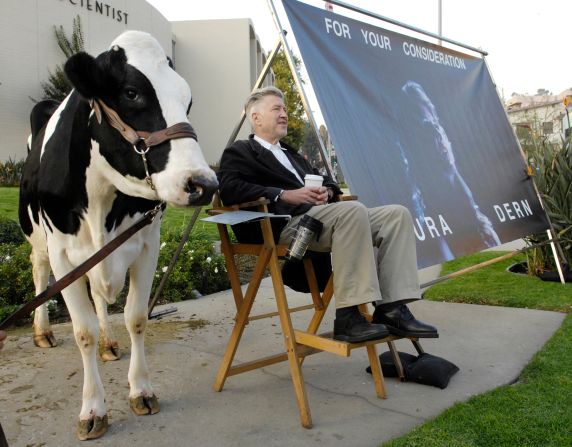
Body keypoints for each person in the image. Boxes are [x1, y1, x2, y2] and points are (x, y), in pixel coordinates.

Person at [218, 86, 437, 343]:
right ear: (255, 118)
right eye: (276, 108)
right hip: (284, 226)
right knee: (352, 211)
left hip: (323, 219)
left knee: (396, 215)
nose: (284, 114)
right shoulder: (241, 151)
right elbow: (229, 188)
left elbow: (328, 182)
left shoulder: (291, 154)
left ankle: (392, 308)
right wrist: (283, 194)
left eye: (285, 109)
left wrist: (326, 193)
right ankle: (348, 317)